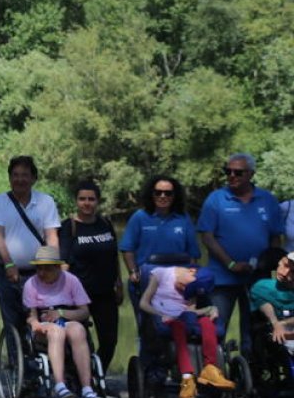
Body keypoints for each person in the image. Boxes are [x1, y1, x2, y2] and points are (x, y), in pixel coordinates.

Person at [197, 153, 283, 354]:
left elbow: (275, 238)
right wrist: (231, 264)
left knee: (255, 329)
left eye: (238, 172)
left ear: (251, 174)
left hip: (257, 279)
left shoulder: (267, 200)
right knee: (216, 328)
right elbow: (207, 237)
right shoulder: (216, 199)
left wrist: (269, 264)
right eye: (228, 171)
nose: (232, 176)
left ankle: (253, 375)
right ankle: (214, 373)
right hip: (221, 278)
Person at [139, 262, 236, 398]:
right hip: (165, 316)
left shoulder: (195, 284)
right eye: (185, 286)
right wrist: (159, 314)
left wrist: (209, 309)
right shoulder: (160, 274)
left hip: (186, 316)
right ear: (190, 271)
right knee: (178, 326)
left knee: (207, 323)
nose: (185, 290)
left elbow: (190, 310)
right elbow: (143, 303)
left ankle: (210, 369)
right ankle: (187, 378)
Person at [20, 246, 104, 398]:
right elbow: (31, 316)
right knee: (57, 332)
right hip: (44, 327)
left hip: (66, 318)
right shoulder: (31, 284)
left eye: (47, 269)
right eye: (39, 268)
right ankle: (60, 385)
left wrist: (61, 313)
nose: (41, 273)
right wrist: (37, 325)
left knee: (79, 330)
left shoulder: (71, 280)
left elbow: (84, 312)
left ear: (58, 268)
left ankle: (87, 388)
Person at [0, 155, 61, 333]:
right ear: (10, 177)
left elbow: (52, 237)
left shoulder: (46, 202)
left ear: (33, 178)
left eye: (25, 175)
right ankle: (15, 360)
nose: (20, 179)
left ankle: (39, 359)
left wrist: (54, 267)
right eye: (15, 175)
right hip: (7, 272)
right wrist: (9, 264)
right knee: (12, 321)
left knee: (41, 321)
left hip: (40, 273)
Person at [58, 181, 122, 371]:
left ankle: (97, 377)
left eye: (91, 199)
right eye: (82, 199)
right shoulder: (68, 227)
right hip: (79, 296)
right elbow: (63, 266)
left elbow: (113, 255)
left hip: (106, 293)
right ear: (76, 201)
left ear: (98, 201)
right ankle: (83, 382)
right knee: (81, 341)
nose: (87, 203)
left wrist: (119, 282)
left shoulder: (105, 224)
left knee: (110, 341)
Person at [119, 175, 200, 316]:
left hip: (176, 282)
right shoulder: (139, 217)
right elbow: (127, 249)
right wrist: (133, 272)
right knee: (147, 327)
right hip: (147, 280)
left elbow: (193, 254)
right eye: (158, 192)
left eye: (168, 193)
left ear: (175, 196)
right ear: (151, 194)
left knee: (179, 323)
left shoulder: (183, 218)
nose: (163, 196)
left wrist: (189, 278)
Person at [250, 251, 294, 355]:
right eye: (285, 265)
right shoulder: (262, 287)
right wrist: (275, 323)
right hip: (274, 331)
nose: (284, 273)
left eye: (292, 271)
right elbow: (265, 306)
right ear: (280, 262)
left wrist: (283, 323)